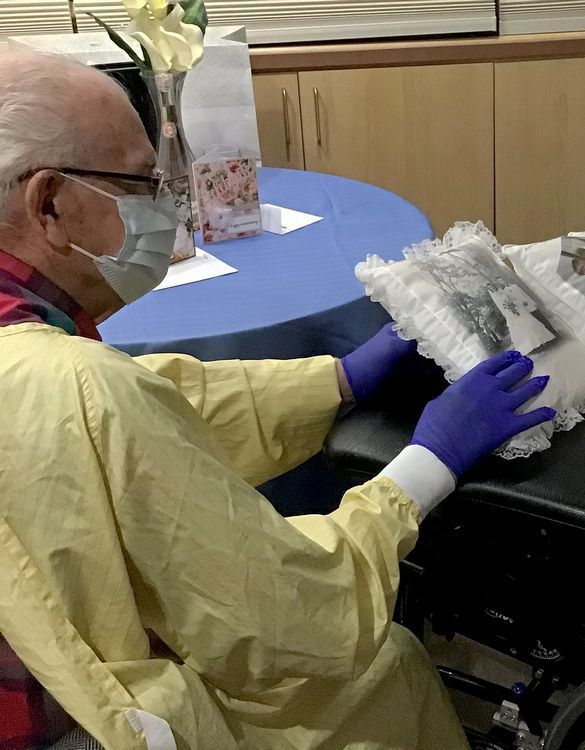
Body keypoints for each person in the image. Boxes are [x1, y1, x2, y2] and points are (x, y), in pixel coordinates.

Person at [0, 52, 556, 750]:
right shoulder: (78, 389)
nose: (167, 205)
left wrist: (344, 377)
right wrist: (423, 468)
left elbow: (160, 410)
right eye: (141, 182)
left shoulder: (40, 359)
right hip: (92, 720)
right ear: (49, 204)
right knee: (389, 667)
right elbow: (292, 619)